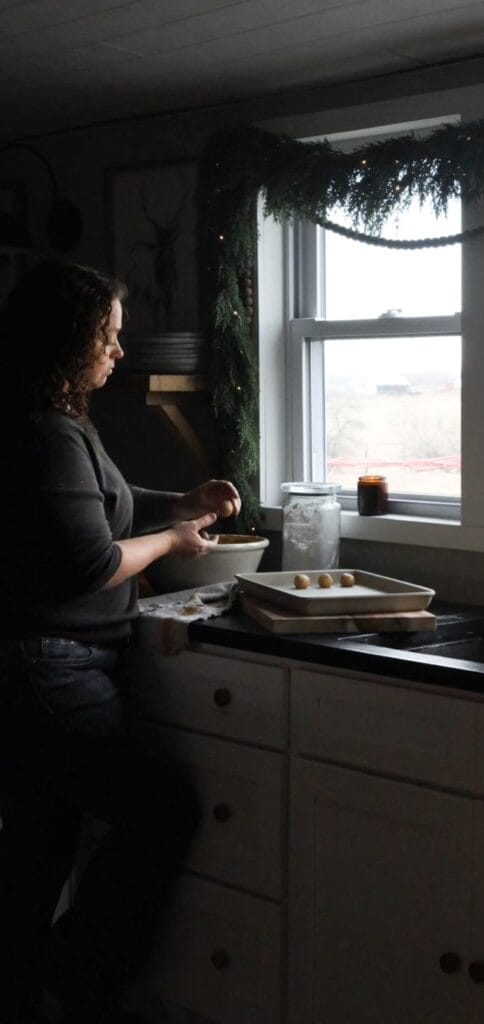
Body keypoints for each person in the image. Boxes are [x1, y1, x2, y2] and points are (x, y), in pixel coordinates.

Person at [0, 259, 242, 1024]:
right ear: (68, 342)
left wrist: (180, 501)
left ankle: (27, 995)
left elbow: (101, 506)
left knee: (38, 852)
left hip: (42, 667)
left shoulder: (54, 421)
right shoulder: (43, 431)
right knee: (161, 809)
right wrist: (171, 540)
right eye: (106, 336)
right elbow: (93, 560)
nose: (117, 351)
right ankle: (69, 979)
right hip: (52, 669)